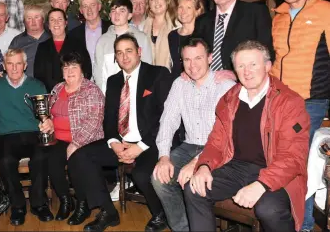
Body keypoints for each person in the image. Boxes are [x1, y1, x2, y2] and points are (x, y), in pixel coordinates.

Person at [184, 40, 310, 232]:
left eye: (253, 64)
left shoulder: (289, 102)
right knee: (194, 189)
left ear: (267, 66)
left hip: (274, 170)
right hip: (237, 168)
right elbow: (216, 142)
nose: (247, 71)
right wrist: (203, 166)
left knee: (268, 208)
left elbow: (293, 157)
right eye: (241, 65)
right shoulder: (229, 99)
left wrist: (261, 184)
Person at [68, 34, 173, 232]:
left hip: (150, 142)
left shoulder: (158, 74)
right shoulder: (114, 81)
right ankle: (108, 211)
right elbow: (108, 121)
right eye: (119, 53)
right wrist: (114, 142)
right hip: (122, 141)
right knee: (79, 157)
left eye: (129, 51)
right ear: (115, 57)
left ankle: (160, 213)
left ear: (139, 52)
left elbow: (166, 118)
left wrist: (139, 147)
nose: (124, 57)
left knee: (142, 175)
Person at [151, 38, 235, 231]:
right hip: (189, 145)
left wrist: (197, 162)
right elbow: (167, 121)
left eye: (198, 58)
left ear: (210, 58)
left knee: (194, 182)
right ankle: (184, 228)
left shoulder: (226, 86)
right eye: (187, 60)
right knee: (159, 178)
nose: (192, 65)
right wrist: (164, 156)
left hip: (219, 149)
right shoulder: (179, 84)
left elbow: (227, 136)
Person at [271, 0, 330, 231]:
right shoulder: (279, 17)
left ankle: (303, 225)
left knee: (298, 162)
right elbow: (276, 61)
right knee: (280, 159)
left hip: (312, 102)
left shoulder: (326, 11)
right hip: (280, 101)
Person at [0, 48, 53, 226]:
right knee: (5, 160)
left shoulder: (37, 86)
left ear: (25, 65)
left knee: (41, 156)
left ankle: (39, 204)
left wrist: (48, 122)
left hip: (33, 133)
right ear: (4, 66)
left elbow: (47, 115)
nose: (14, 68)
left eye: (18, 64)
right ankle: (17, 206)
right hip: (6, 135)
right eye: (10, 64)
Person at [46, 52, 105, 223]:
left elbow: (95, 121)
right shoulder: (57, 89)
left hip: (86, 140)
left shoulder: (91, 90)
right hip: (59, 138)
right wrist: (48, 122)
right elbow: (50, 114)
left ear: (82, 70)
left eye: (74, 67)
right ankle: (66, 200)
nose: (69, 71)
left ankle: (83, 204)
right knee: (51, 159)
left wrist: (76, 143)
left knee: (75, 160)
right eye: (66, 67)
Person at [192, 0, 273, 78]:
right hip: (209, 83)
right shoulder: (202, 21)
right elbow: (195, 51)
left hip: (244, 81)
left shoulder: (256, 12)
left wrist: (237, 74)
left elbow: (266, 52)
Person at [93, 0, 153, 94]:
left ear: (129, 15)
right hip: (110, 92)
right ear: (109, 15)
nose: (117, 15)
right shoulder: (103, 40)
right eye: (113, 11)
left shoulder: (141, 38)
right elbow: (98, 71)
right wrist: (103, 93)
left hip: (136, 91)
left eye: (122, 11)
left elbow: (148, 66)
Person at [61, 0, 111, 80]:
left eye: (92, 5)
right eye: (85, 6)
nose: (89, 10)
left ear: (99, 7)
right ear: (81, 10)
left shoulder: (111, 29)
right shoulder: (73, 34)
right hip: (84, 83)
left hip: (109, 80)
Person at [167, 0, 205, 78]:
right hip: (177, 81)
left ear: (197, 11)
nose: (183, 11)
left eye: (188, 8)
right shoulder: (172, 35)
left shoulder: (204, 34)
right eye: (180, 7)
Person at [143, 0, 181, 69]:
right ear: (149, 5)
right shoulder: (144, 26)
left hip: (170, 73)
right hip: (149, 74)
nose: (156, 2)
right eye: (152, 0)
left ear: (167, 1)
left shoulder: (176, 24)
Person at [8, 5, 50, 77]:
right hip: (25, 84)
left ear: (43, 19)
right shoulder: (17, 42)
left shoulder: (52, 38)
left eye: (36, 17)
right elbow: (10, 65)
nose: (33, 21)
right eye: (29, 18)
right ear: (24, 21)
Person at [34, 8, 68, 92]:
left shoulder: (78, 44)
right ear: (48, 25)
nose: (56, 23)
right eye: (52, 20)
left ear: (65, 23)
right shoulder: (42, 47)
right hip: (49, 94)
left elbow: (85, 71)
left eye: (60, 19)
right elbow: (38, 75)